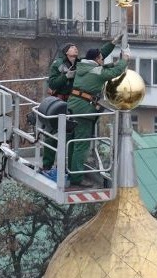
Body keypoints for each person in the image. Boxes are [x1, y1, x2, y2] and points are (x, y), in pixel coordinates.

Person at [42, 34, 122, 173]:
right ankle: (47, 165)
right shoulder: (58, 64)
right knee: (53, 135)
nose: (76, 49)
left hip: (73, 102)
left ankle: (66, 167)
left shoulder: (80, 63)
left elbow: (97, 57)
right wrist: (65, 76)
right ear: (66, 52)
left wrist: (113, 43)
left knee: (70, 136)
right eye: (72, 47)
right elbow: (53, 83)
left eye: (76, 47)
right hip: (60, 101)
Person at [66, 46, 129, 188]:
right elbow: (115, 72)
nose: (102, 60)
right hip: (84, 111)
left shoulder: (83, 67)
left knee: (73, 142)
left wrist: (113, 61)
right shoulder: (97, 71)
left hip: (72, 107)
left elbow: (103, 68)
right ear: (96, 59)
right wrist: (124, 60)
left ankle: (71, 172)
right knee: (81, 145)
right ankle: (76, 178)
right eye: (101, 58)